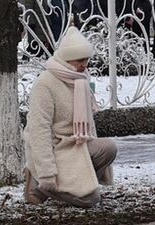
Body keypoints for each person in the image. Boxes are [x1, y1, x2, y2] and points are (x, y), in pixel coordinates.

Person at [23, 27, 117, 206]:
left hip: (77, 145)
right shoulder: (45, 84)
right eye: (80, 60)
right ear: (66, 59)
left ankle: (72, 185)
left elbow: (88, 126)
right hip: (56, 149)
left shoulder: (80, 79)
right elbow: (38, 131)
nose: (84, 65)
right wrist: (46, 173)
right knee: (91, 200)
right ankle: (40, 184)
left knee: (109, 148)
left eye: (87, 60)